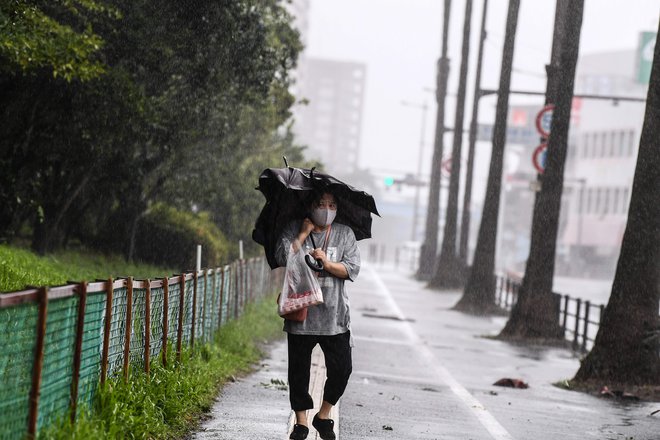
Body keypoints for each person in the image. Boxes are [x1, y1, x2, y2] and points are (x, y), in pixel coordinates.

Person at [275, 190, 360, 440]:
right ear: (310, 206)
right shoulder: (294, 228)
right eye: (320, 203)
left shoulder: (345, 234)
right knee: (298, 371)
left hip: (335, 315)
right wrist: (302, 235)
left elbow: (352, 269)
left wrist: (327, 263)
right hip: (301, 312)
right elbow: (283, 257)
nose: (326, 208)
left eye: (331, 204)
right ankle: (301, 422)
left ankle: (323, 416)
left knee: (342, 369)